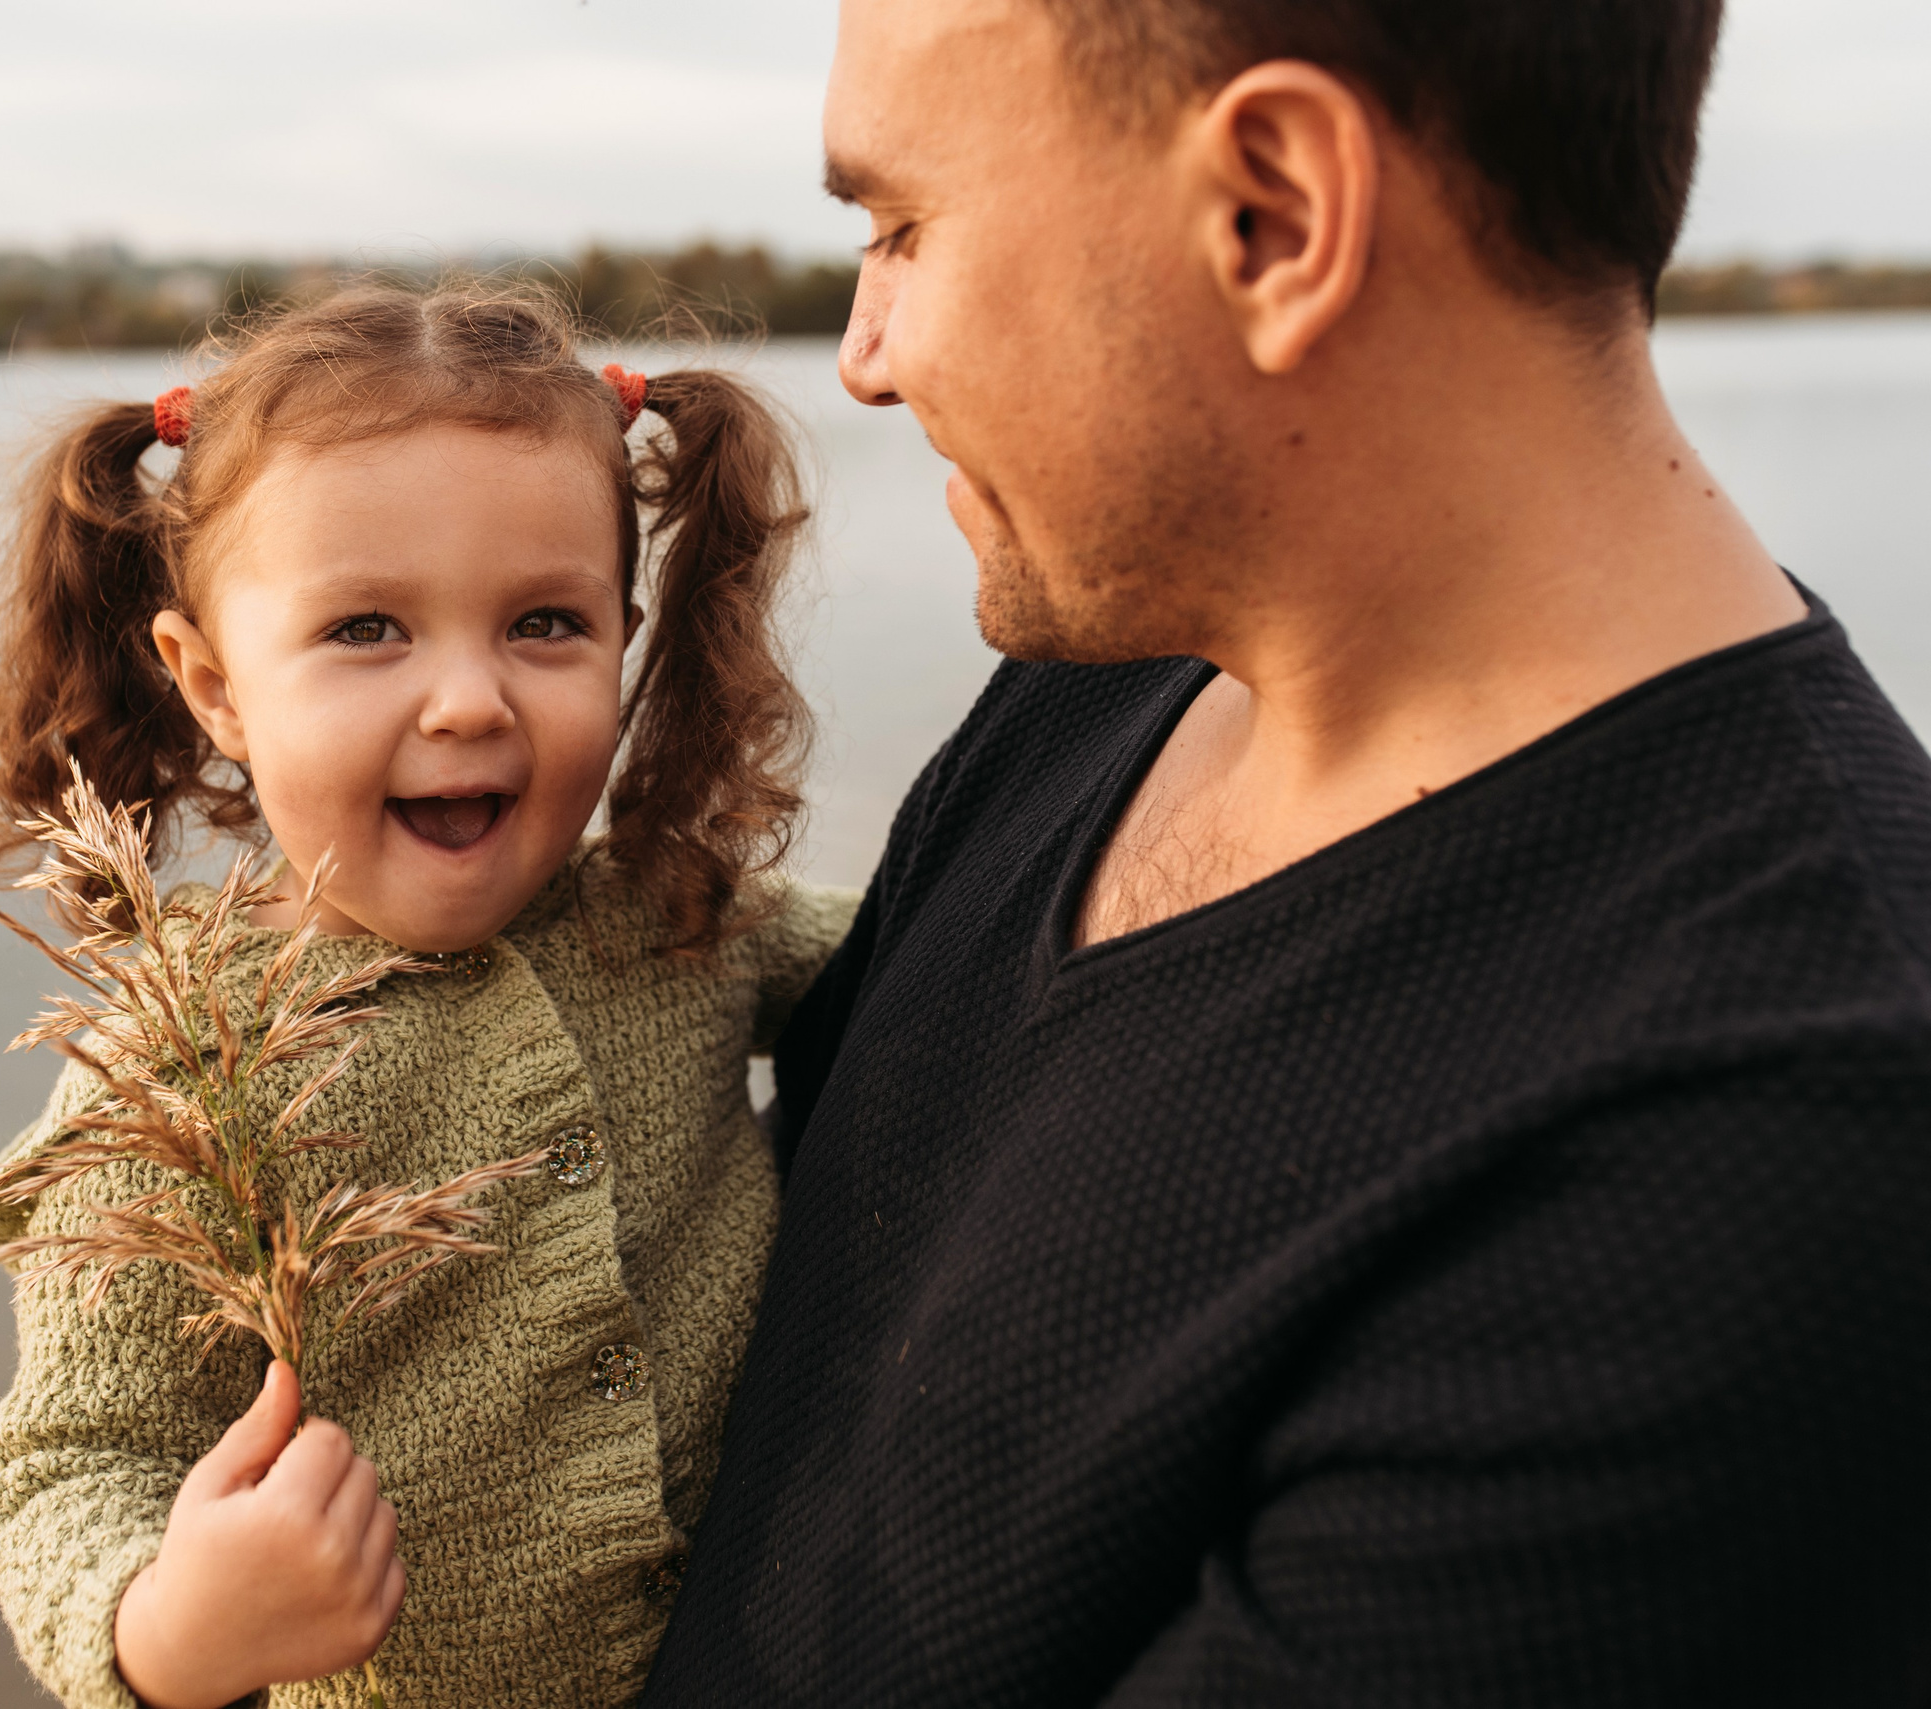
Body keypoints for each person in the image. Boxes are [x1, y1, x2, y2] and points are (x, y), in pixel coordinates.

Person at [644, 0, 1931, 1703]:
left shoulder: (1764, 1139)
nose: (865, 354)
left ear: (1276, 214)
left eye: (901, 227)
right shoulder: (1120, 672)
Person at [0, 285, 858, 1709]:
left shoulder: (670, 912)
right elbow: (73, 1462)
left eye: (545, 622)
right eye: (368, 628)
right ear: (214, 684)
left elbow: (925, 958)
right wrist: (169, 1628)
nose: (469, 701)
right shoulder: (184, 1068)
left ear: (624, 639)